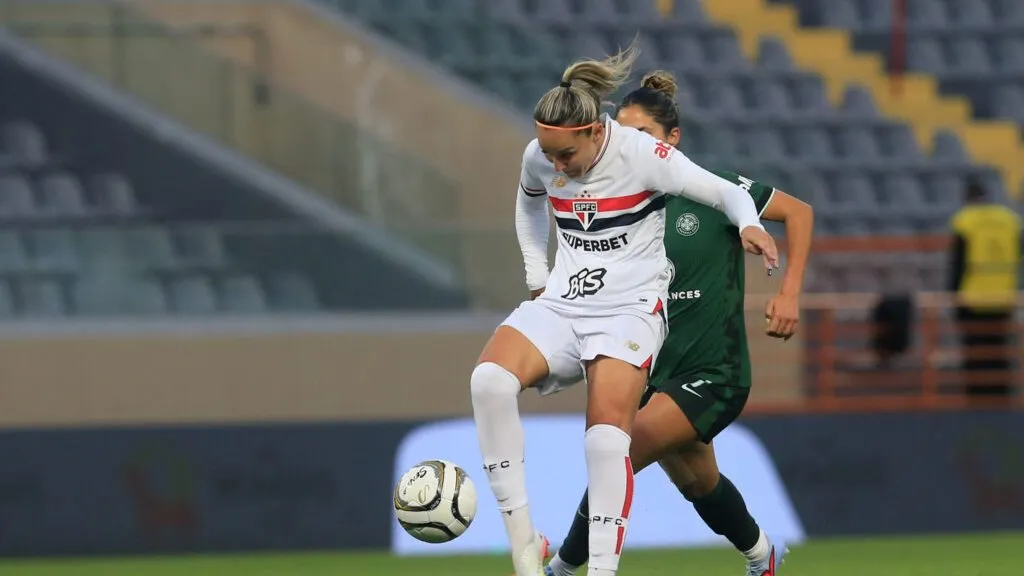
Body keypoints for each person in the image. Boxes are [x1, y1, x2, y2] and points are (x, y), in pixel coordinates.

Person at [470, 44, 780, 576]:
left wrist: (749, 223)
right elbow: (528, 205)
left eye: (565, 155)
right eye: (548, 153)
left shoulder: (641, 154)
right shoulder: (540, 155)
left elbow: (725, 193)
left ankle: (599, 571)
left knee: (610, 441)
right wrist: (537, 278)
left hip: (628, 311)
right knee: (489, 382)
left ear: (595, 132)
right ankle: (526, 549)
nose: (555, 164)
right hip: (567, 299)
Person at [544, 70, 813, 576]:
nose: (628, 144)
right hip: (652, 373)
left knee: (617, 451)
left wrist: (789, 293)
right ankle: (763, 557)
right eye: (621, 133)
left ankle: (559, 568)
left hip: (715, 373)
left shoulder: (719, 193)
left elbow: (799, 214)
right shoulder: (616, 205)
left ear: (672, 140)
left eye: (641, 133)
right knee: (700, 484)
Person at [949, 178, 1021, 397]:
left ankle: (977, 394)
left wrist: (953, 295)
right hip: (1004, 296)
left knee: (975, 351)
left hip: (974, 296)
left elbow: (957, 264)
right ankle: (1001, 393)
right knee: (998, 348)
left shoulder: (964, 221)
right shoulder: (1010, 219)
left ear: (968, 198)